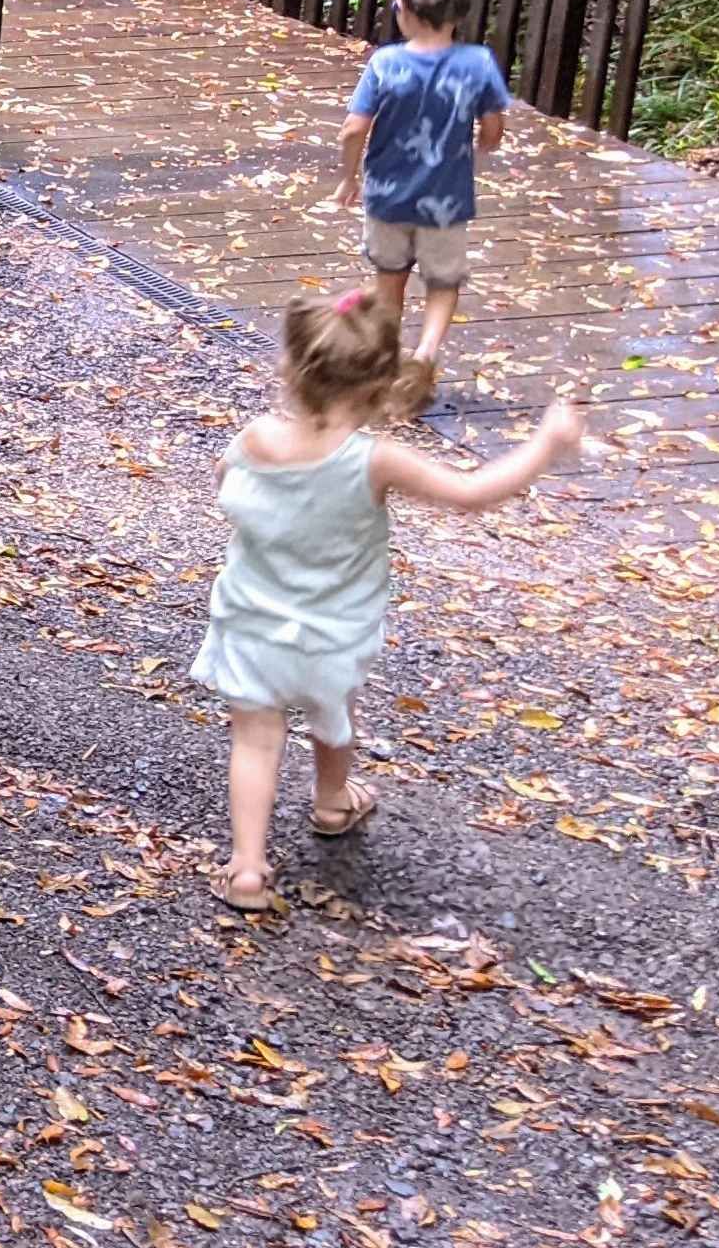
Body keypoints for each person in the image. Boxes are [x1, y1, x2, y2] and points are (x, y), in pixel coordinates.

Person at [196, 287, 580, 914]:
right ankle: (331, 802)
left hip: (252, 622)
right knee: (332, 714)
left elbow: (224, 482)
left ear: (289, 373)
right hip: (333, 633)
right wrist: (546, 442)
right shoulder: (375, 461)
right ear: (380, 389)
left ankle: (246, 870)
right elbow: (472, 493)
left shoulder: (259, 436)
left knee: (256, 739)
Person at [331, 0, 514, 414]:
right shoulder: (478, 64)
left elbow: (354, 128)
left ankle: (388, 361)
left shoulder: (385, 63)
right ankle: (426, 356)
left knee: (389, 276)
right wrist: (477, 152)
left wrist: (349, 178)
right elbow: (493, 129)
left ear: (405, 12)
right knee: (442, 281)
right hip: (446, 200)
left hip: (388, 197)